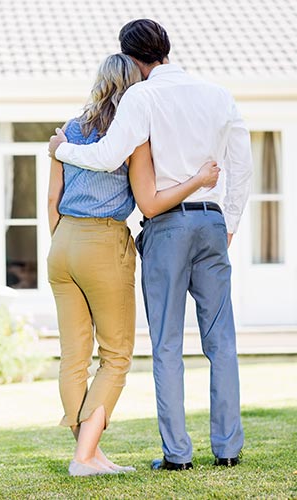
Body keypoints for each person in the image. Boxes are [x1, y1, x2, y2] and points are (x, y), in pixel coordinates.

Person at [49, 19, 252, 471]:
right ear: (165, 49)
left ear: (133, 59)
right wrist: (229, 223)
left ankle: (178, 455)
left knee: (165, 344)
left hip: (165, 226)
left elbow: (105, 157)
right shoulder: (218, 94)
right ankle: (228, 450)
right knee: (221, 340)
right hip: (213, 222)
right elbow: (241, 165)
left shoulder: (143, 95)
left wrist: (61, 150)